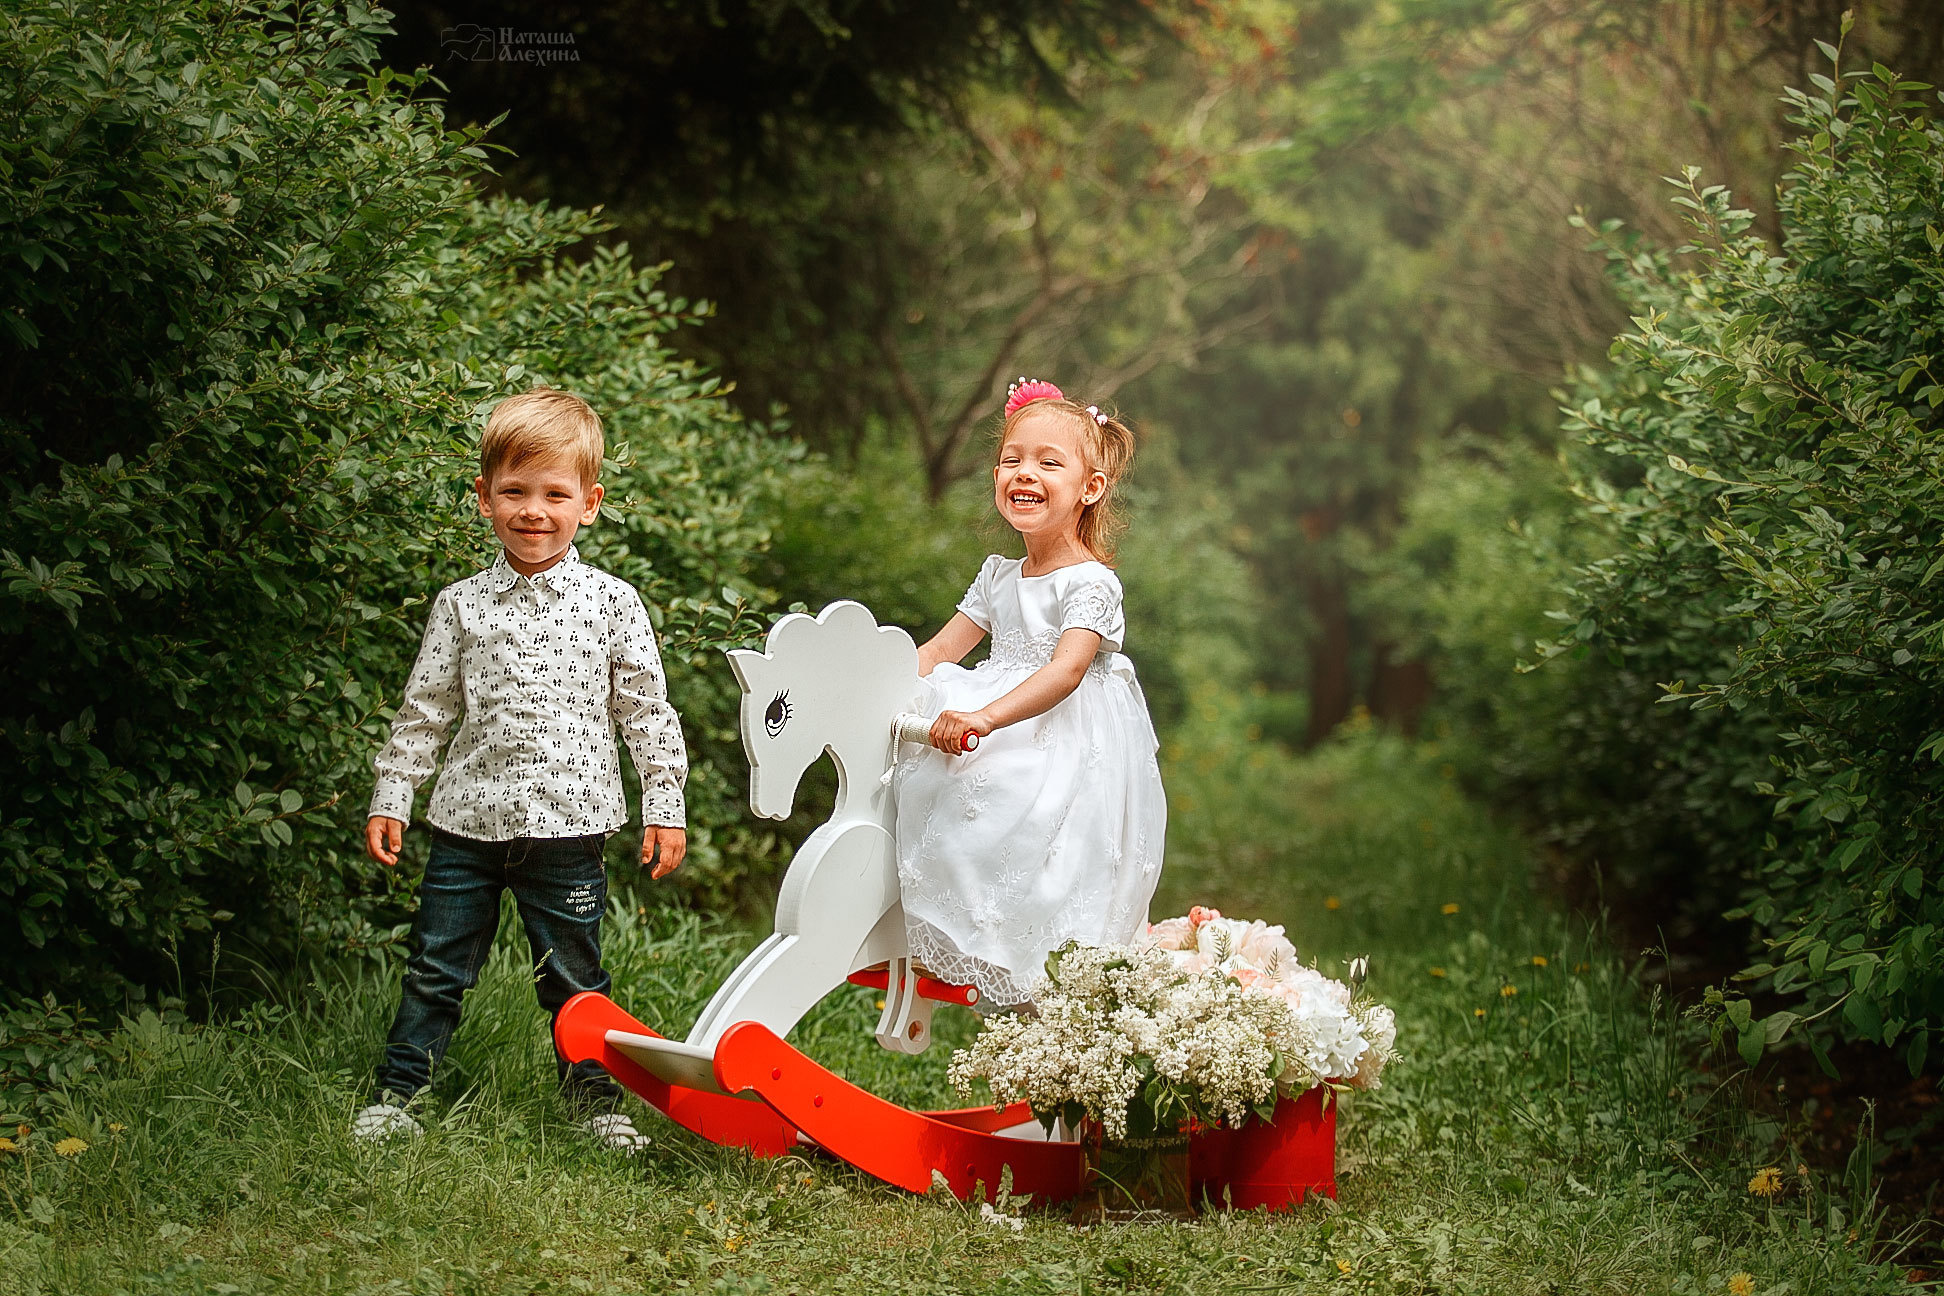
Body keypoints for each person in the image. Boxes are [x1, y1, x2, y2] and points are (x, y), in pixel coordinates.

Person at [353, 387, 688, 1151]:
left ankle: (596, 1104)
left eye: (554, 494)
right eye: (514, 491)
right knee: (436, 968)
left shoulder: (613, 603)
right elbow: (426, 710)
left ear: (589, 504)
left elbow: (646, 712)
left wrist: (664, 803)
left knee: (574, 980)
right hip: (465, 826)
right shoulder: (460, 606)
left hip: (571, 829)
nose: (533, 510)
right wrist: (392, 793)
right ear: (483, 498)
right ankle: (397, 1095)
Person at [890, 377, 1167, 1009]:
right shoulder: (998, 575)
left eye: (1049, 462)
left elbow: (1065, 672)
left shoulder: (1092, 582)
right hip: (995, 713)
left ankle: (1037, 978)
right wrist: (880, 679)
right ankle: (955, 934)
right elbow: (938, 652)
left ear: (1088, 489)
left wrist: (986, 716)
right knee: (935, 776)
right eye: (1013, 459)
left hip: (1061, 732)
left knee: (1033, 828)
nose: (1025, 473)